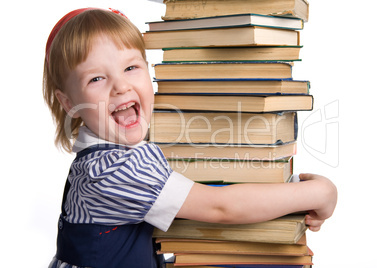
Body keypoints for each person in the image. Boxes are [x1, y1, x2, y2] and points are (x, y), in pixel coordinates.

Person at [43, 8, 337, 268]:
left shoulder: (106, 150)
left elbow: (193, 191)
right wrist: (317, 194)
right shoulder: (114, 169)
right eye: (96, 78)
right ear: (68, 102)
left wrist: (290, 190)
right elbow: (219, 206)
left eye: (131, 67)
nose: (120, 86)